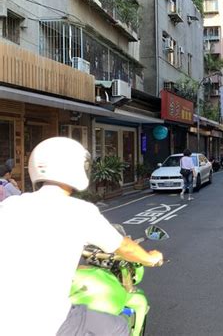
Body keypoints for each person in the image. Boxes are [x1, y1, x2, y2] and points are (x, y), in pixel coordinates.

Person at [0, 137, 163, 336]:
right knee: (118, 326)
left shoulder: (10, 205)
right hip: (47, 323)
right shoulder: (80, 211)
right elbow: (124, 247)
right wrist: (150, 258)